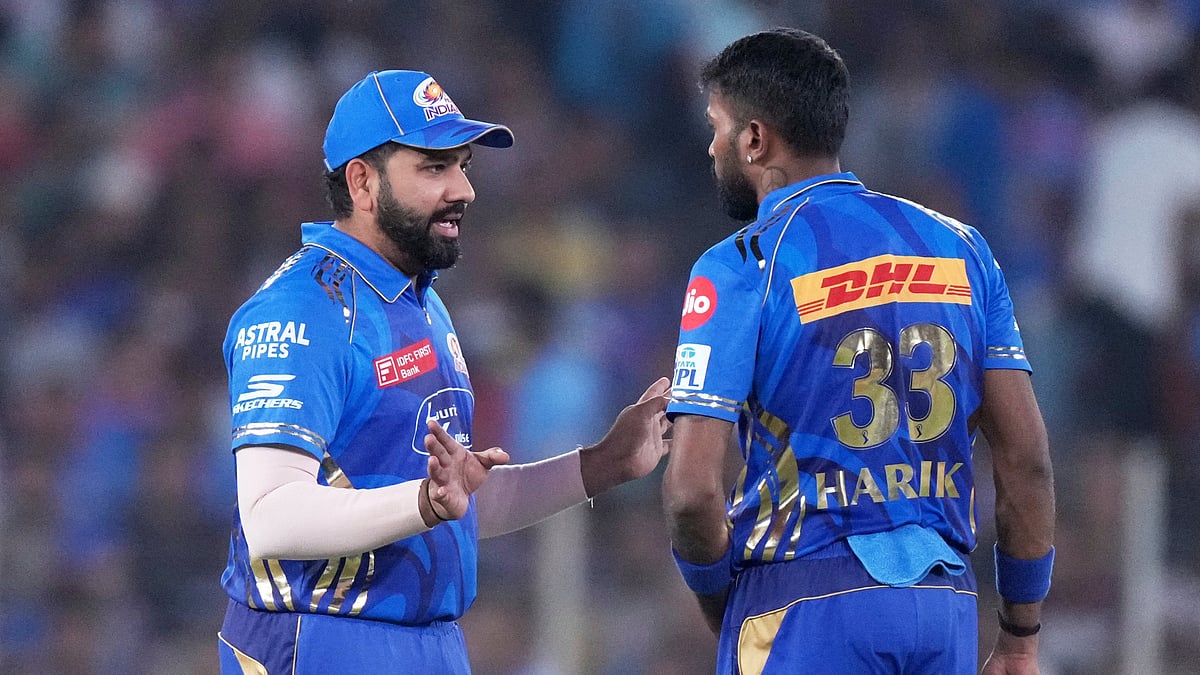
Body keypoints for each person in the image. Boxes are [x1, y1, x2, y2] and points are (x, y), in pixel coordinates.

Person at [216, 69, 671, 674]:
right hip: (320, 639)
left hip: (431, 644)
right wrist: (427, 502)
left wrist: (604, 463)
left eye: (463, 166)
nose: (464, 189)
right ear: (362, 181)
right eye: (434, 168)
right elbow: (271, 517)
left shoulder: (422, 305)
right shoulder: (304, 308)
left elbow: (454, 503)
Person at [661, 29, 1055, 674]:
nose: (711, 147)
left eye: (716, 127)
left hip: (804, 596)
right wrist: (1019, 637)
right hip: (944, 605)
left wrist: (721, 605)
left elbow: (691, 494)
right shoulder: (962, 248)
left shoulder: (742, 266)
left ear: (754, 139)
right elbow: (1027, 459)